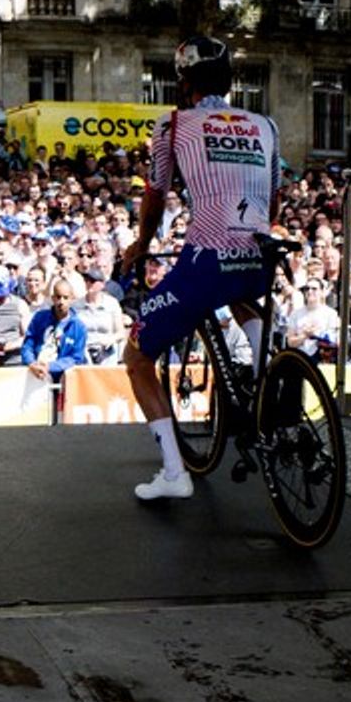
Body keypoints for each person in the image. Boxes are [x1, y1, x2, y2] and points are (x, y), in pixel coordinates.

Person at [111, 37, 284, 501]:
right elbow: (274, 194)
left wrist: (141, 244)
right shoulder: (265, 124)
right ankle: (268, 370)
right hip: (259, 253)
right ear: (229, 83)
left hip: (207, 258)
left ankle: (174, 472)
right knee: (243, 292)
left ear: (183, 82)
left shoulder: (172, 125)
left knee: (137, 357)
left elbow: (155, 194)